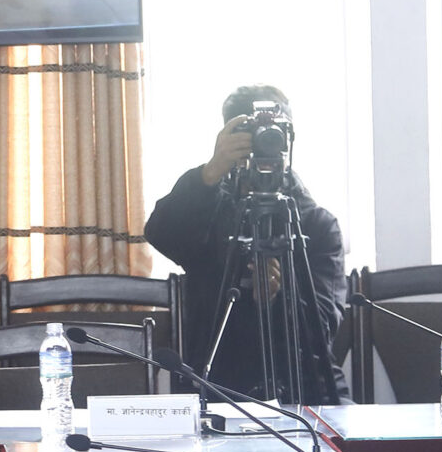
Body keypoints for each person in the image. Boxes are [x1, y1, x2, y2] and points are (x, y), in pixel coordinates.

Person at [144, 85, 348, 403]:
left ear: (288, 139)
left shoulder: (316, 224)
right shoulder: (209, 213)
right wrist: (210, 172)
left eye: (273, 134)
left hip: (306, 387)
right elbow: (161, 233)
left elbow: (321, 332)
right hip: (221, 384)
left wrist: (279, 297)